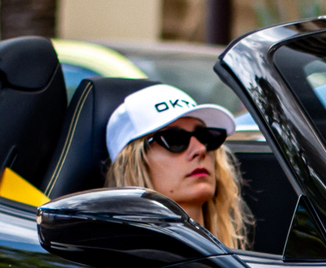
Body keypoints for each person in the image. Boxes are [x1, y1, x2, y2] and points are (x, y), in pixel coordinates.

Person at [105, 83, 253, 250]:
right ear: (134, 163)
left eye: (205, 136)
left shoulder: (237, 260)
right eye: (175, 139)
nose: (200, 149)